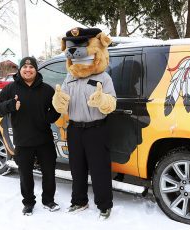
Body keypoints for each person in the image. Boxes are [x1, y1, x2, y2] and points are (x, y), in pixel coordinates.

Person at [52, 27, 116, 219]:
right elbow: (62, 101)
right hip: (75, 129)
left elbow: (112, 102)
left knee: (99, 170)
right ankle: (79, 201)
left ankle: (104, 205)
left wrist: (102, 100)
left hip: (96, 129)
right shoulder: (69, 77)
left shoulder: (103, 77)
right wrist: (58, 101)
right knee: (77, 168)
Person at [0, 57, 60, 216]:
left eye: (31, 67)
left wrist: (47, 118)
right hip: (23, 141)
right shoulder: (10, 88)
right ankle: (28, 202)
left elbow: (57, 110)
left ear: (36, 70)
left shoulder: (47, 90)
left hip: (44, 139)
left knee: (49, 172)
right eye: (25, 67)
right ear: (20, 69)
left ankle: (48, 200)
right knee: (25, 174)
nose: (28, 69)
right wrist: (10, 105)